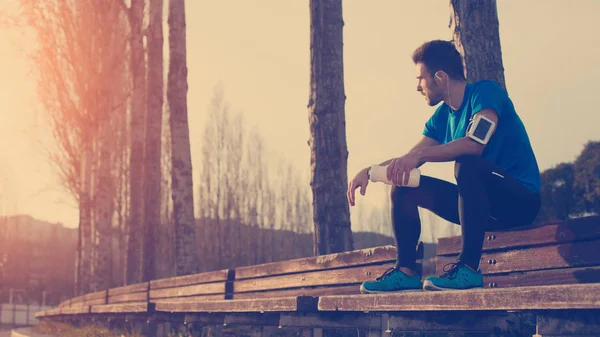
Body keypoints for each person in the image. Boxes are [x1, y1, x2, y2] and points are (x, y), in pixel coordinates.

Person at [347, 40, 541, 292]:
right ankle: (406, 272)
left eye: (420, 79)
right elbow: (411, 157)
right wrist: (370, 171)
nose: (418, 87)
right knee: (403, 185)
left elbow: (475, 144)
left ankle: (468, 270)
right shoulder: (442, 117)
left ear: (440, 77)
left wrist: (419, 156)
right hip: (482, 208)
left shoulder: (485, 93)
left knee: (467, 165)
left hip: (519, 201)